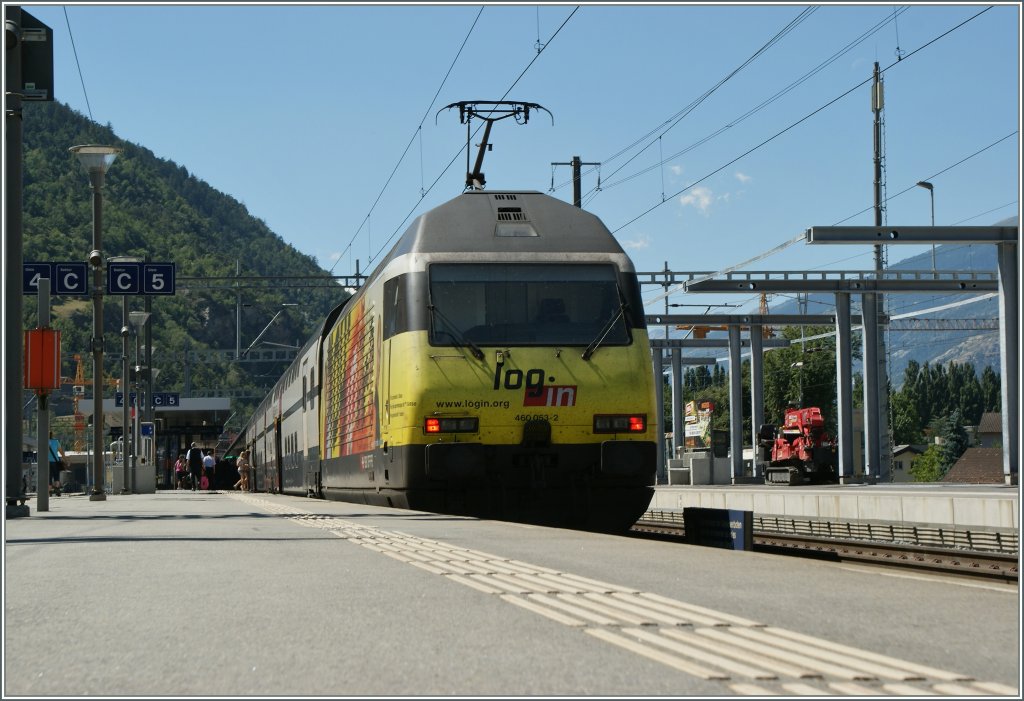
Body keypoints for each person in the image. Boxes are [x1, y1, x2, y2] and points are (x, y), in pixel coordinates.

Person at [47, 432, 67, 497]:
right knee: (56, 476)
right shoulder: (56, 442)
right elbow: (61, 452)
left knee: (49, 477)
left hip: (47, 462)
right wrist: (65, 459)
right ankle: (57, 490)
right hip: (55, 461)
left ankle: (49, 491)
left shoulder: (44, 441)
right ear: (52, 435)